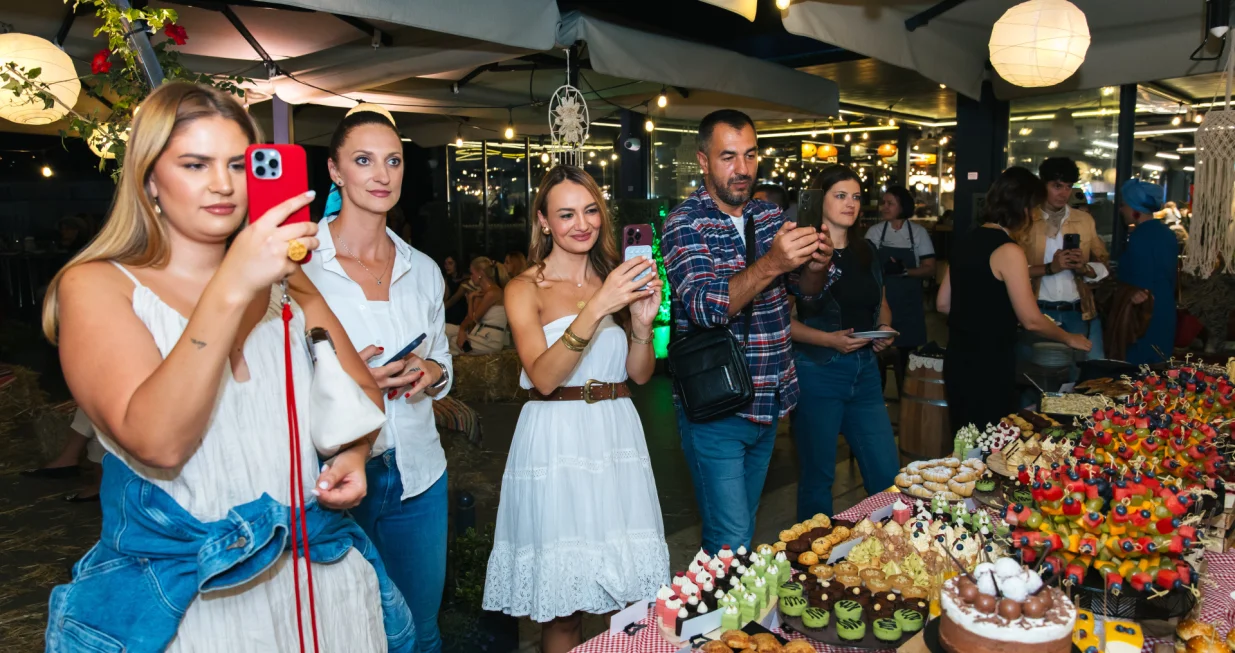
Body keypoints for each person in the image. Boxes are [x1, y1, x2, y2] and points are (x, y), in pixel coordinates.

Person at [41, 82, 411, 652]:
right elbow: (158, 442)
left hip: (320, 584)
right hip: (192, 603)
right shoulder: (97, 286)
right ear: (148, 180)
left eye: (240, 165)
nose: (222, 184)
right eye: (195, 164)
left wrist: (354, 455)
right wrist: (234, 284)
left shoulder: (287, 281)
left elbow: (362, 394)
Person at [483, 166, 669, 653]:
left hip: (616, 435)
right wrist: (596, 307)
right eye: (565, 214)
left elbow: (641, 373)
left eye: (590, 211)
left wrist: (643, 325)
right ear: (544, 221)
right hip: (556, 440)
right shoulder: (525, 288)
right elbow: (543, 377)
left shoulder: (616, 279)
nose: (581, 224)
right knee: (563, 614)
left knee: (630, 604)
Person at [302, 106, 452, 653]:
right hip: (334, 474)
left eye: (393, 161)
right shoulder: (301, 263)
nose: (382, 175)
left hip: (418, 472)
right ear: (335, 170)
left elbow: (444, 362)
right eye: (363, 160)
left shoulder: (424, 269)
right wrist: (351, 376)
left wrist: (431, 370)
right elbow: (269, 375)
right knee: (345, 631)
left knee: (422, 629)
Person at [662, 109, 835, 553]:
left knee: (739, 530)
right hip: (717, 408)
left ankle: (718, 611)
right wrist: (774, 262)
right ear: (703, 161)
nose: (742, 169)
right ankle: (706, 619)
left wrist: (816, 263)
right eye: (728, 157)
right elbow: (704, 305)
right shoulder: (685, 222)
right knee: (732, 538)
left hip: (770, 398)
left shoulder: (770, 214)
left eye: (750, 155)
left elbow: (809, 293)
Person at [937, 167, 1091, 431]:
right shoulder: (1009, 249)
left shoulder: (966, 240)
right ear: (1023, 209)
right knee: (990, 443)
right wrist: (1069, 338)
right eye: (1034, 209)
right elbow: (1031, 319)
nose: (1034, 216)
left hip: (958, 358)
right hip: (990, 362)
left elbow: (943, 304)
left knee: (965, 439)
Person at [790, 165, 898, 519]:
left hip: (864, 370)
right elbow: (782, 322)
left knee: (885, 474)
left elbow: (881, 300)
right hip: (817, 372)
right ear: (819, 200)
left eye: (855, 197)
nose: (850, 204)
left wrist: (883, 327)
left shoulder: (866, 250)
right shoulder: (799, 251)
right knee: (818, 477)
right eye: (840, 196)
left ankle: (889, 554)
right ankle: (810, 560)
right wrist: (829, 340)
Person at [1020, 158, 1109, 366]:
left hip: (1076, 311)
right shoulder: (1025, 221)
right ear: (1043, 185)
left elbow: (1104, 264)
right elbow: (1010, 272)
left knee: (1075, 375)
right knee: (1034, 377)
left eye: (1069, 187)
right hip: (1037, 311)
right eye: (1057, 186)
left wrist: (1084, 268)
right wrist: (1051, 268)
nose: (1063, 193)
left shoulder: (1084, 220)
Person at [866, 184, 935, 396]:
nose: (884, 207)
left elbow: (930, 268)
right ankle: (877, 399)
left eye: (890, 203)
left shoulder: (918, 233)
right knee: (877, 358)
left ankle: (908, 402)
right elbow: (865, 266)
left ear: (902, 206)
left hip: (908, 306)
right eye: (883, 203)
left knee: (907, 360)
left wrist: (906, 271)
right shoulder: (875, 232)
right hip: (880, 301)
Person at [1117, 179, 1176, 365]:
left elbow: (1141, 283)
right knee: (1158, 369)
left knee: (1138, 370)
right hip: (1165, 307)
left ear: (1135, 210)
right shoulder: (1167, 233)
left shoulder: (1139, 237)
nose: (1121, 210)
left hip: (1144, 313)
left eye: (1124, 205)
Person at [444, 256, 507, 354]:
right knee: (444, 328)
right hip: (480, 333)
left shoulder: (493, 293)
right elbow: (470, 318)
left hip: (489, 339)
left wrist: (462, 331)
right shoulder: (481, 293)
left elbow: (474, 319)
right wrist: (471, 298)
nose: (470, 277)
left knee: (448, 342)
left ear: (480, 274)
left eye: (472, 273)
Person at [442, 255, 471, 325]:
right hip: (448, 313)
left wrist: (438, 311)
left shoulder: (466, 280)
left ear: (457, 264)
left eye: (450, 263)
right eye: (445, 264)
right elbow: (445, 297)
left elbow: (454, 299)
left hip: (461, 314)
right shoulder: (447, 279)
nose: (447, 266)